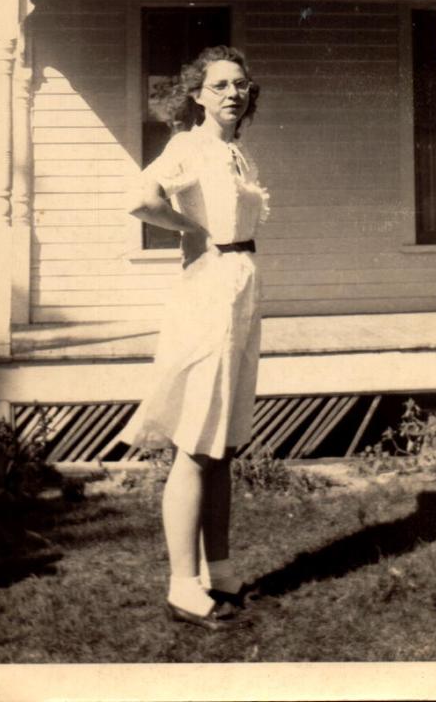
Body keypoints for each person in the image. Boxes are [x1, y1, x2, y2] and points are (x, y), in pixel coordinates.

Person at [121, 45, 269, 631]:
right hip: (208, 294)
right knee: (196, 440)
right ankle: (183, 586)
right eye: (220, 85)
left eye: (241, 84)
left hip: (240, 289)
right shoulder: (189, 146)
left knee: (223, 443)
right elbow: (141, 199)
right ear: (197, 95)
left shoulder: (237, 152)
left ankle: (221, 571)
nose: (233, 93)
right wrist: (192, 229)